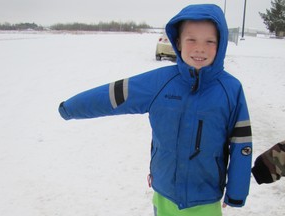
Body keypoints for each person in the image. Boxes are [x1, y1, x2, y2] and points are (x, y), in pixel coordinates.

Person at [58, 4, 252, 216]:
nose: (200, 48)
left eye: (209, 41)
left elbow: (242, 144)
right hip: (164, 191)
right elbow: (113, 95)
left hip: (205, 198)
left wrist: (236, 191)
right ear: (178, 42)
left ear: (221, 44)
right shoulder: (160, 82)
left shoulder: (231, 90)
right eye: (191, 40)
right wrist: (71, 108)